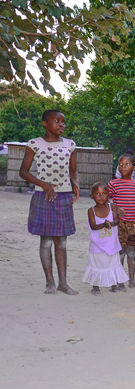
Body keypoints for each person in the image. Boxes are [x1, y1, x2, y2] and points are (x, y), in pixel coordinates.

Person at [19, 109, 80, 295]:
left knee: (61, 242)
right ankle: (50, 282)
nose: (61, 124)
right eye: (57, 121)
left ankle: (63, 283)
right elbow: (23, 171)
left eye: (63, 122)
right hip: (43, 196)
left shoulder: (69, 145)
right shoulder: (34, 144)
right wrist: (43, 184)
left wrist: (75, 185)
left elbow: (73, 170)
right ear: (45, 123)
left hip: (63, 197)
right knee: (45, 241)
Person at [82, 182, 129, 295]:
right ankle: (95, 286)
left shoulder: (111, 207)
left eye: (104, 194)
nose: (101, 197)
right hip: (97, 244)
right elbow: (93, 226)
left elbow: (117, 220)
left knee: (112, 263)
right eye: (97, 194)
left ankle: (113, 285)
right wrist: (104, 225)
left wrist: (111, 224)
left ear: (108, 195)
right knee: (97, 264)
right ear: (92, 196)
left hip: (111, 243)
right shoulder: (91, 210)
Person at [108, 153, 135, 287]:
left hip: (133, 224)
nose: (123, 167)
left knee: (132, 254)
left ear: (134, 168)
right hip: (119, 224)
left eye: (127, 164)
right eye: (120, 164)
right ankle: (119, 279)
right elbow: (105, 200)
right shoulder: (113, 183)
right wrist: (114, 209)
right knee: (120, 253)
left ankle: (132, 280)